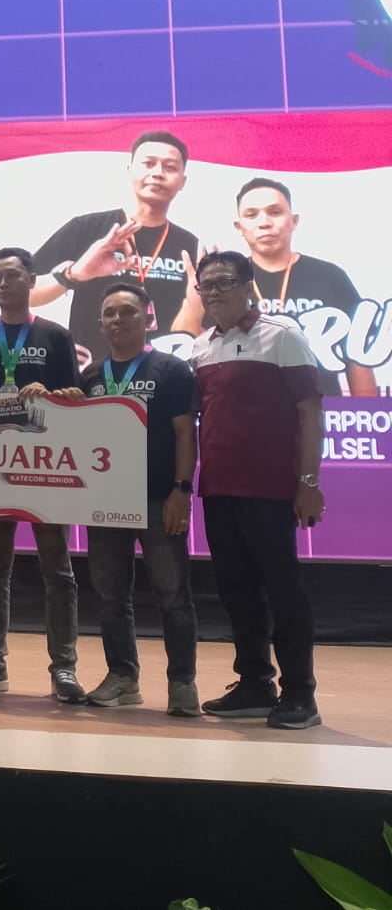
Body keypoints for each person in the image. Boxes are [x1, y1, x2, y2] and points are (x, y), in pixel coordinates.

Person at [187, 251, 326, 730]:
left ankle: (300, 694)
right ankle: (254, 684)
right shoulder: (200, 347)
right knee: (237, 592)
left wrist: (309, 482)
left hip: (270, 491)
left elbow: (311, 411)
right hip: (218, 491)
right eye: (206, 285)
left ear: (248, 286)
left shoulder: (282, 335)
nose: (214, 291)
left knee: (284, 592)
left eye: (224, 282)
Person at [54, 282, 201, 716]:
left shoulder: (172, 370)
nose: (117, 320)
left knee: (173, 596)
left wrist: (182, 489)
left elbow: (184, 434)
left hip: (158, 500)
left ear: (148, 317)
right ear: (100, 324)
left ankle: (182, 684)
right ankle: (123, 678)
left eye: (127, 312)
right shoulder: (90, 376)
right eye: (110, 314)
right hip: (105, 503)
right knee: (111, 596)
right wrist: (57, 401)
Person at [0, 248, 84, 703]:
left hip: (46, 467)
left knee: (58, 570)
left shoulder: (56, 335)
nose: (3, 284)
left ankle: (64, 668)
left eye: (12, 275)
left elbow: (75, 398)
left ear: (31, 280)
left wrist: (52, 394)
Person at [174, 178, 376, 396]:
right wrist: (193, 305)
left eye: (275, 212)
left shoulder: (330, 276)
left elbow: (358, 356)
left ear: (294, 221)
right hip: (242, 408)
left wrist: (365, 410)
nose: (264, 222)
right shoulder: (224, 280)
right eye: (252, 214)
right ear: (239, 227)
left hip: (318, 408)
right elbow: (184, 347)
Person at [31, 132, 198, 365]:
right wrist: (74, 274)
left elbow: (201, 329)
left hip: (163, 373)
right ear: (129, 170)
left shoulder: (191, 246)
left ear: (182, 181)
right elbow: (27, 294)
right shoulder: (87, 228)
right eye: (148, 163)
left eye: (169, 167)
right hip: (93, 372)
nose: (158, 173)